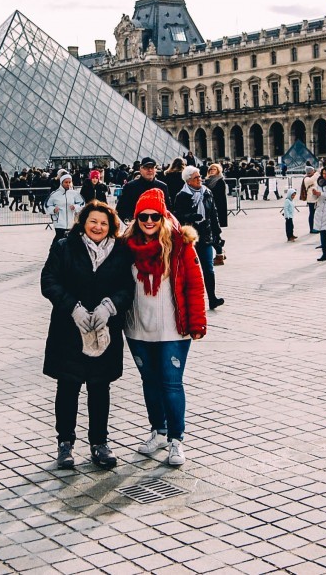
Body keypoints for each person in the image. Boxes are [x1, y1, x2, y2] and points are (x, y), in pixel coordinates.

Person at [40, 201, 134, 470]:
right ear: (83, 222)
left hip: (105, 330)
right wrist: (73, 307)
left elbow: (128, 287)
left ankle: (99, 443)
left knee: (99, 386)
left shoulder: (120, 251)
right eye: (93, 221)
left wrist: (109, 306)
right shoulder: (64, 246)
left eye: (104, 223)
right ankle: (65, 443)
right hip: (68, 329)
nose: (98, 227)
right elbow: (49, 281)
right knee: (68, 387)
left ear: (111, 226)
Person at [122, 189, 206, 467]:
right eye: (143, 216)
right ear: (136, 218)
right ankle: (157, 431)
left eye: (154, 216)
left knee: (171, 384)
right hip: (137, 329)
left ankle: (176, 439)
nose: (149, 221)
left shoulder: (180, 244)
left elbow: (195, 285)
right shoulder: (126, 246)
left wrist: (197, 321)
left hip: (174, 329)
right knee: (150, 383)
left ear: (163, 216)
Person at [172, 165, 224, 310]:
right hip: (190, 238)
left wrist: (218, 233)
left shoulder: (207, 192)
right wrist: (191, 216)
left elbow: (213, 214)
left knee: (209, 268)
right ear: (188, 181)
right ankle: (189, 301)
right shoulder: (181, 196)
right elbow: (177, 217)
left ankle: (212, 298)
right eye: (196, 177)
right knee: (190, 271)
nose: (200, 179)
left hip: (206, 236)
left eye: (199, 176)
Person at [116, 158, 166, 223]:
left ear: (155, 170)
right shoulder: (130, 186)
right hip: (136, 228)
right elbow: (121, 208)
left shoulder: (162, 187)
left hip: (157, 227)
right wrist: (130, 222)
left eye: (152, 167)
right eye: (146, 168)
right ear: (140, 169)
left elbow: (168, 209)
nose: (150, 170)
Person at [47, 171, 86, 243]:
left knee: (72, 241)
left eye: (69, 182)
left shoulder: (75, 194)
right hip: (59, 223)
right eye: (66, 182)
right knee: (58, 241)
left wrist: (75, 207)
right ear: (61, 183)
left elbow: (82, 204)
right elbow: (47, 205)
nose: (68, 184)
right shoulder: (54, 194)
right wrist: (53, 210)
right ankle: (54, 253)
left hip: (72, 222)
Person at [298, 165, 318, 236]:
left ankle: (315, 227)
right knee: (312, 214)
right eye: (313, 171)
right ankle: (311, 228)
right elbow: (312, 180)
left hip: (314, 198)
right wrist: (318, 172)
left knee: (315, 214)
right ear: (311, 171)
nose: (314, 172)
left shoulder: (310, 177)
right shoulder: (307, 179)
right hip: (311, 199)